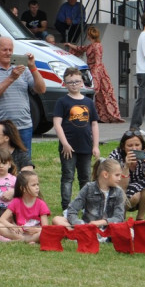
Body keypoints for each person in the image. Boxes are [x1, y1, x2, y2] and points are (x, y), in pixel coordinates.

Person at [0, 36, 46, 154]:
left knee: (23, 167)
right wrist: (11, 78)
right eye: (4, 50)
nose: (8, 53)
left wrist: (32, 67)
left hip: (23, 127)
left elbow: (41, 89)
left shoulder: (22, 70)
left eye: (10, 50)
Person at [52, 67, 99, 212]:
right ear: (64, 84)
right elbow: (57, 124)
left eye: (76, 81)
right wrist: (65, 144)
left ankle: (86, 206)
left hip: (86, 146)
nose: (74, 84)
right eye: (70, 82)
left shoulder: (89, 102)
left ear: (82, 83)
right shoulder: (62, 102)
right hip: (68, 148)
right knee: (68, 177)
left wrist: (95, 145)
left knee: (85, 178)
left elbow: (94, 124)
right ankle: (66, 207)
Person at [66, 26, 124, 123]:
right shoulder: (91, 46)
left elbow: (98, 61)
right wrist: (70, 45)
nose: (87, 36)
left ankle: (102, 115)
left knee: (100, 93)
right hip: (93, 69)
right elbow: (80, 48)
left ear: (90, 35)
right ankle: (101, 116)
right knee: (99, 95)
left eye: (88, 34)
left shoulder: (97, 46)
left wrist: (95, 74)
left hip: (98, 71)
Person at [53, 157, 126, 228]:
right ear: (105, 174)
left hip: (109, 228)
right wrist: (79, 224)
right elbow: (72, 209)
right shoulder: (89, 188)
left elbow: (119, 217)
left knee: (129, 230)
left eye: (120, 175)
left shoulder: (118, 192)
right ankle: (79, 233)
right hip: (88, 227)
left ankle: (77, 234)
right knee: (56, 219)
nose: (120, 178)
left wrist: (101, 222)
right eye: (117, 175)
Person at [108, 130, 145, 220]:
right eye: (130, 146)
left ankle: (140, 219)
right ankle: (120, 219)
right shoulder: (116, 156)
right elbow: (120, 187)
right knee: (135, 196)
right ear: (123, 147)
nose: (134, 149)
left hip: (139, 190)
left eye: (137, 145)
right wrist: (126, 167)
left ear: (142, 145)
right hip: (118, 192)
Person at [0, 170, 50, 243]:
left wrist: (37, 230)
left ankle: (15, 240)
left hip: (34, 234)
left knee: (43, 233)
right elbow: (2, 220)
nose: (37, 187)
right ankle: (25, 240)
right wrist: (12, 226)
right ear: (23, 189)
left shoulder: (41, 204)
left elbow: (46, 228)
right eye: (33, 185)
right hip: (19, 233)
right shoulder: (16, 201)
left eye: (37, 184)